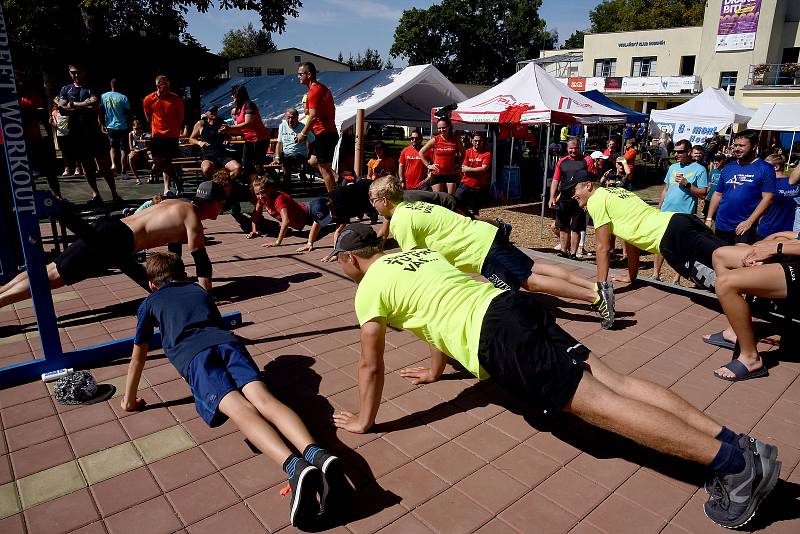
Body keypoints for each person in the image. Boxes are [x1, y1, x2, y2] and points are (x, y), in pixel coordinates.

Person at [330, 222, 781, 530]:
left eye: (338, 261)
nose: (340, 268)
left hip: (499, 337)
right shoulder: (416, 255)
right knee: (617, 383)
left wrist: (365, 422)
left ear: (351, 258)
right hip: (509, 307)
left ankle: (735, 466)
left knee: (598, 406)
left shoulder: (369, 290)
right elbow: (432, 315)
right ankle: (737, 442)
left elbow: (371, 363)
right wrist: (435, 370)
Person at [121, 252, 345, 529]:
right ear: (183, 273)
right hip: (228, 344)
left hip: (195, 356)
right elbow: (217, 323)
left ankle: (295, 468)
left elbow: (138, 356)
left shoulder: (150, 302)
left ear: (152, 284)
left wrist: (129, 400)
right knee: (264, 399)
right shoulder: (198, 289)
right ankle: (316, 454)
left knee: (240, 409)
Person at [368, 176, 615, 328]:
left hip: (480, 250)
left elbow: (415, 262)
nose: (372, 205)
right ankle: (597, 288)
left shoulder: (400, 219)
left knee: (530, 282)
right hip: (484, 236)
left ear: (383, 199)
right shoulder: (413, 205)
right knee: (534, 267)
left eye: (372, 200)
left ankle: (596, 299)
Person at [0, 181, 226, 309]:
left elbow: (173, 250)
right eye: (221, 204)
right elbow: (201, 263)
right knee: (51, 279)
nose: (222, 209)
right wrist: (206, 301)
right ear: (214, 203)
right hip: (115, 241)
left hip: (109, 227)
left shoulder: (175, 203)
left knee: (50, 269)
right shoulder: (193, 221)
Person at [573, 174, 726, 290]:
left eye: (575, 190)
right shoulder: (616, 192)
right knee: (728, 254)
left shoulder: (595, 200)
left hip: (670, 236)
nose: (574, 195)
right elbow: (631, 240)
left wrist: (601, 289)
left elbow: (602, 248)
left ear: (588, 186)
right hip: (680, 220)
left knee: (719, 279)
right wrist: (631, 276)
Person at [706, 233, 800, 381]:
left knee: (726, 284)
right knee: (720, 255)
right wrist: (767, 245)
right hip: (791, 254)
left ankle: (750, 358)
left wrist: (776, 248)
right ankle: (738, 332)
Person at [57, 63, 122, 205]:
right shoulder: (65, 89)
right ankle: (96, 195)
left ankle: (114, 194)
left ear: (84, 72)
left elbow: (94, 104)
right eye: (73, 72)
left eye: (79, 72)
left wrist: (73, 105)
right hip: (77, 133)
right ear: (69, 72)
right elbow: (61, 107)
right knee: (86, 166)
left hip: (93, 132)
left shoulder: (92, 87)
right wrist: (82, 105)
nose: (76, 75)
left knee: (104, 165)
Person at [705, 130, 776, 245]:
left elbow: (768, 198)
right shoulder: (728, 167)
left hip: (745, 225)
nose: (737, 149)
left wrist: (750, 221)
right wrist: (709, 218)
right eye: (735, 145)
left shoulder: (765, 168)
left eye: (742, 146)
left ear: (754, 146)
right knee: (721, 258)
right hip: (722, 223)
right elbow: (718, 194)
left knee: (740, 260)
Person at [653, 139, 709, 281]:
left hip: (684, 214)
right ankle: (655, 274)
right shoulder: (673, 168)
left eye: (680, 152)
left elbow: (703, 193)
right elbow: (666, 189)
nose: (676, 154)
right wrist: (659, 207)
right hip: (666, 212)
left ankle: (677, 278)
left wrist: (687, 184)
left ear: (689, 152)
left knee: (681, 246)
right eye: (675, 152)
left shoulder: (700, 169)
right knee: (660, 242)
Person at [296, 180, 378, 255]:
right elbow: (317, 223)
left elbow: (339, 230)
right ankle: (371, 213)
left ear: (330, 206)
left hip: (369, 191)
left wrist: (336, 252)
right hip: (359, 199)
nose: (332, 218)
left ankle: (373, 214)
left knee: (384, 213)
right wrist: (309, 243)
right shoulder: (322, 203)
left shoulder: (341, 206)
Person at [548, 139, 595, 259]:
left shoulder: (587, 160)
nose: (573, 150)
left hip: (580, 199)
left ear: (580, 147)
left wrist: (589, 200)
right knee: (563, 226)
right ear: (567, 148)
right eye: (571, 148)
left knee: (576, 227)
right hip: (564, 198)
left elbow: (592, 180)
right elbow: (555, 180)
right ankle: (564, 251)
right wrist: (552, 196)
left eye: (576, 148)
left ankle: (573, 253)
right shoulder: (562, 162)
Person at [296, 62, 339, 192]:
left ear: (309, 74)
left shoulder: (313, 91)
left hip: (324, 134)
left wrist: (302, 134)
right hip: (327, 133)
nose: (298, 76)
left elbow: (313, 116)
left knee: (323, 168)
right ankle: (337, 177)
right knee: (313, 161)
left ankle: (333, 198)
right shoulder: (323, 89)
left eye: (300, 74)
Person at [143, 75, 184, 195]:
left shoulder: (175, 99)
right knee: (157, 160)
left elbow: (180, 118)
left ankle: (167, 189)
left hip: (171, 135)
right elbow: (148, 117)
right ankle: (177, 181)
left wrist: (173, 129)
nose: (167, 88)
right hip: (157, 134)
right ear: (158, 87)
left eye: (168, 86)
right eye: (164, 86)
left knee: (168, 160)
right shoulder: (149, 99)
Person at [248, 175, 314, 247]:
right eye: (257, 194)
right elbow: (256, 215)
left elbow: (286, 221)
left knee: (325, 224)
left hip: (310, 213)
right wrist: (254, 231)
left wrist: (277, 242)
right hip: (303, 219)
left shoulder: (278, 200)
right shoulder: (262, 199)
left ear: (269, 189)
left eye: (263, 192)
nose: (260, 196)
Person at [221, 85, 270, 180]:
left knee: (257, 166)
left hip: (259, 138)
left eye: (233, 94)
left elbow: (248, 123)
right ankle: (254, 185)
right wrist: (226, 131)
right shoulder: (239, 109)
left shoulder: (249, 105)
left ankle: (265, 186)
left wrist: (230, 127)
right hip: (249, 139)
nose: (232, 97)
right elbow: (240, 128)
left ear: (238, 95)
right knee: (247, 164)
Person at [189, 104, 242, 180]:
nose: (214, 112)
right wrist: (199, 143)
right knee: (206, 169)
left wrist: (228, 139)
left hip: (223, 155)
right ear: (206, 113)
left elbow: (229, 136)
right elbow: (191, 139)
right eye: (211, 111)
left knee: (237, 168)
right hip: (208, 156)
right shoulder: (201, 124)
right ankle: (215, 183)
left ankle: (223, 183)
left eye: (215, 110)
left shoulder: (222, 123)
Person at [756, 154, 800, 240]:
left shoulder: (767, 185)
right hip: (789, 232)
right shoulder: (795, 184)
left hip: (768, 230)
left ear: (775, 167)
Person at [418, 117, 465, 195]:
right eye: (439, 128)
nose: (441, 130)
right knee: (438, 198)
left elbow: (463, 153)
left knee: (450, 198)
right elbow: (421, 152)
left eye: (444, 128)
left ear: (449, 127)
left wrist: (459, 165)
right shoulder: (435, 140)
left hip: (451, 174)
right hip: (437, 173)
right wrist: (428, 165)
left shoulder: (455, 140)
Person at [275, 107, 314, 187]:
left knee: (287, 160)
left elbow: (313, 140)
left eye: (293, 118)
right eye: (288, 118)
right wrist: (277, 157)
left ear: (297, 118)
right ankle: (276, 183)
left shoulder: (303, 127)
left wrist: (309, 154)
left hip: (300, 154)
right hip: (285, 154)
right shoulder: (282, 126)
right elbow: (279, 143)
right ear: (285, 117)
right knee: (267, 161)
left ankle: (286, 184)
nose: (290, 120)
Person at [455, 132, 492, 216]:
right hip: (465, 184)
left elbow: (483, 169)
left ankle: (475, 226)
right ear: (472, 141)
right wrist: (474, 170)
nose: (477, 143)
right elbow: (464, 168)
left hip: (478, 187)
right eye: (475, 141)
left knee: (475, 210)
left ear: (483, 141)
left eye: (479, 141)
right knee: (457, 204)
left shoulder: (487, 154)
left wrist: (469, 169)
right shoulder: (467, 152)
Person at [100, 79, 131, 176]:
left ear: (111, 85)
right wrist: (129, 125)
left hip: (110, 125)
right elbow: (127, 113)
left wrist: (102, 124)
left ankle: (113, 165)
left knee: (112, 147)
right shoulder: (123, 97)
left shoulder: (103, 96)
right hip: (122, 126)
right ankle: (123, 171)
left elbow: (100, 111)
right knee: (123, 149)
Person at [702, 154, 729, 220]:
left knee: (717, 217)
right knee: (706, 216)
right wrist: (704, 196)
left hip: (720, 199)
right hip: (709, 198)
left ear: (723, 161)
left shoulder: (727, 172)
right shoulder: (713, 171)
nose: (716, 165)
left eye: (717, 163)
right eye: (715, 163)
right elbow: (709, 184)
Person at [127, 119, 151, 185]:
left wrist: (143, 150)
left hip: (144, 150)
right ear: (133, 127)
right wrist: (136, 150)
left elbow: (148, 147)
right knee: (130, 158)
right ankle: (137, 178)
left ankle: (151, 175)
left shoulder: (144, 133)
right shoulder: (131, 134)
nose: (138, 130)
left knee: (153, 157)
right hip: (136, 150)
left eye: (139, 128)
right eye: (136, 128)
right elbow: (131, 147)